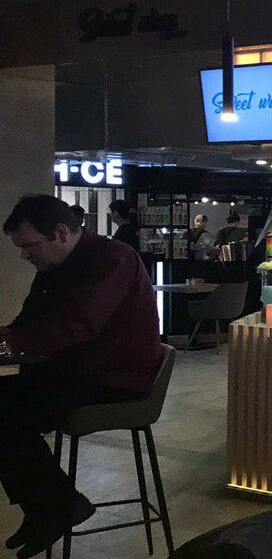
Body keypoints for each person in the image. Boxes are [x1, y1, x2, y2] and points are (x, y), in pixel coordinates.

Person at [0, 195, 162, 558]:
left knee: (5, 410)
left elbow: (79, 323)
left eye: (29, 246)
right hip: (78, 373)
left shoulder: (113, 259)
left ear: (60, 233)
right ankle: (48, 507)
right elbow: (30, 323)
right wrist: (8, 337)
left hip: (116, 381)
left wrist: (12, 342)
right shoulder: (55, 267)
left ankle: (55, 506)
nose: (25, 255)